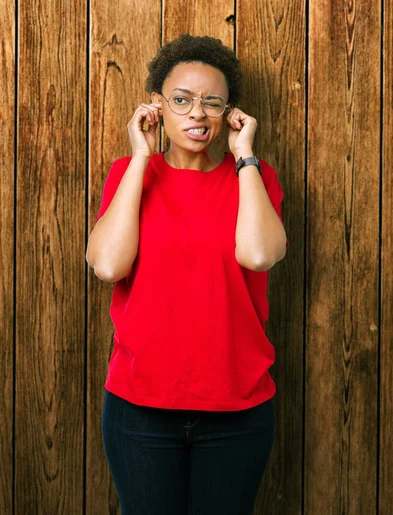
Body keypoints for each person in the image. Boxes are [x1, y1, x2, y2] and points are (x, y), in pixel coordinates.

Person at [85, 33, 289, 515]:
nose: (197, 113)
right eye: (181, 100)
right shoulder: (128, 175)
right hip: (140, 409)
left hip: (237, 409)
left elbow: (260, 256)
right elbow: (109, 265)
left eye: (211, 102)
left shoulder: (255, 178)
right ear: (156, 106)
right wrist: (140, 155)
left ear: (229, 112)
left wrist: (245, 157)